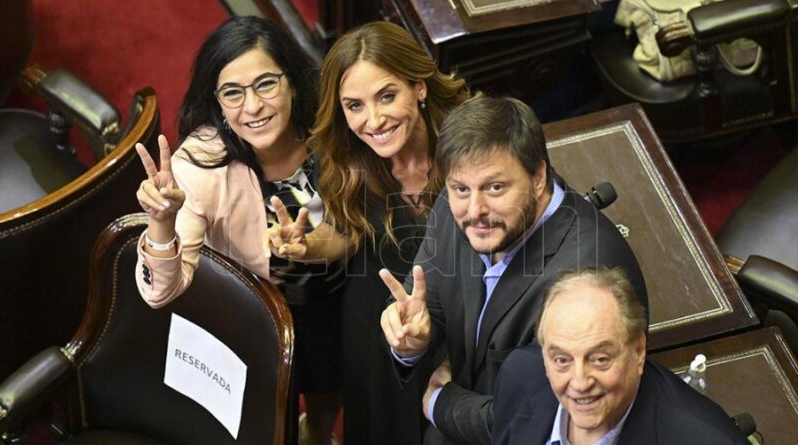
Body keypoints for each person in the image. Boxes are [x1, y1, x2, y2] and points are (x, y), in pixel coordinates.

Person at [379, 95, 648, 445]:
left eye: (495, 188)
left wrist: (439, 402)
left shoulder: (590, 278)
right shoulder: (452, 208)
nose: (475, 210)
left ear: (538, 178)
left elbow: (542, 419)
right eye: (460, 188)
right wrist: (411, 342)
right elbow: (424, 306)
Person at [133, 16, 343, 445]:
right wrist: (161, 221)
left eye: (266, 84)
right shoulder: (199, 166)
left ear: (292, 82)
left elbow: (357, 220)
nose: (253, 107)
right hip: (263, 317)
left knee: (329, 397)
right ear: (218, 103)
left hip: (338, 295)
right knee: (274, 424)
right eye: (233, 92)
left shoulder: (328, 127)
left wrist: (314, 245)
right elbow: (160, 291)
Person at [268, 21, 469, 445]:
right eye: (354, 105)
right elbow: (344, 233)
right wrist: (306, 246)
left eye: (387, 96)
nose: (373, 120)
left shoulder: (471, 141)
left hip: (460, 316)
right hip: (376, 315)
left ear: (419, 86)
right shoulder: (347, 156)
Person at [492, 268, 748, 445]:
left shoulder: (708, 440)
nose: (580, 382)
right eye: (562, 360)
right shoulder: (519, 375)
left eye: (600, 359)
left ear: (638, 351)